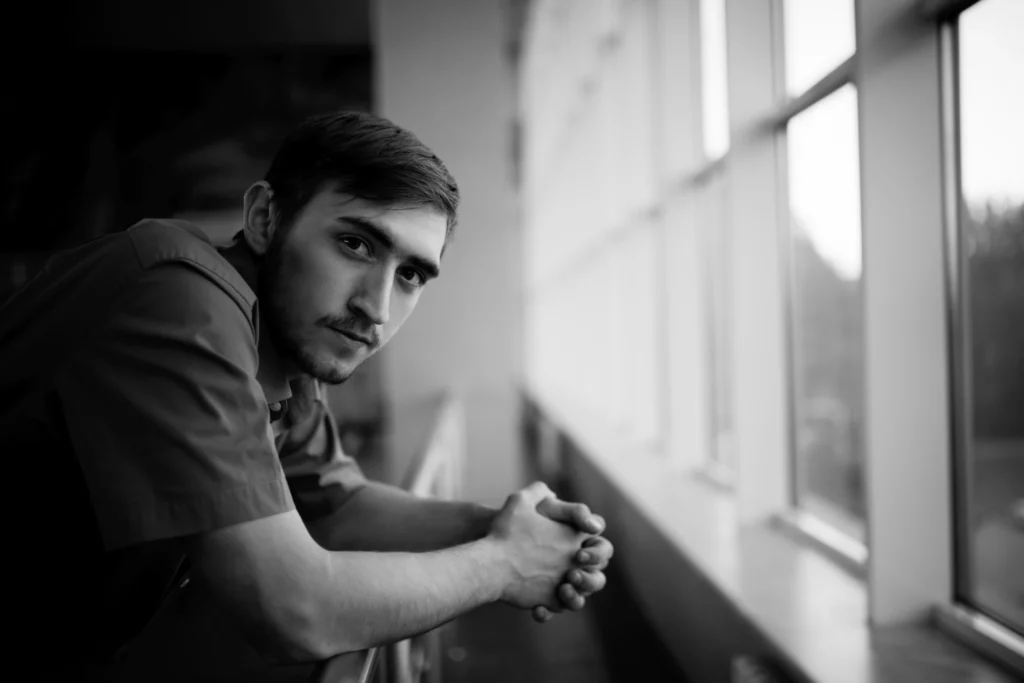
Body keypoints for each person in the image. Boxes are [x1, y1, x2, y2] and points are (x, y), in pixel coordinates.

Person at [0, 110, 613, 681]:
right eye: (355, 244)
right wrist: (502, 566)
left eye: (410, 275)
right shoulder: (178, 303)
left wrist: (501, 529)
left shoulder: (284, 347)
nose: (375, 307)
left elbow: (337, 505)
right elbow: (293, 608)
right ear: (266, 218)